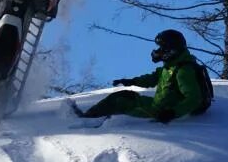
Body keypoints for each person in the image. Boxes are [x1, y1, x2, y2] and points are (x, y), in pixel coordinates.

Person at [75, 29, 211, 123]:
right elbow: (152, 78)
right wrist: (130, 81)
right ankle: (93, 117)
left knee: (119, 101)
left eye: (162, 48)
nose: (158, 52)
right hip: (156, 105)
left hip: (160, 111)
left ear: (172, 50)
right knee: (124, 95)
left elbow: (194, 98)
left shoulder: (183, 71)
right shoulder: (171, 66)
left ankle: (89, 122)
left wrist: (172, 113)